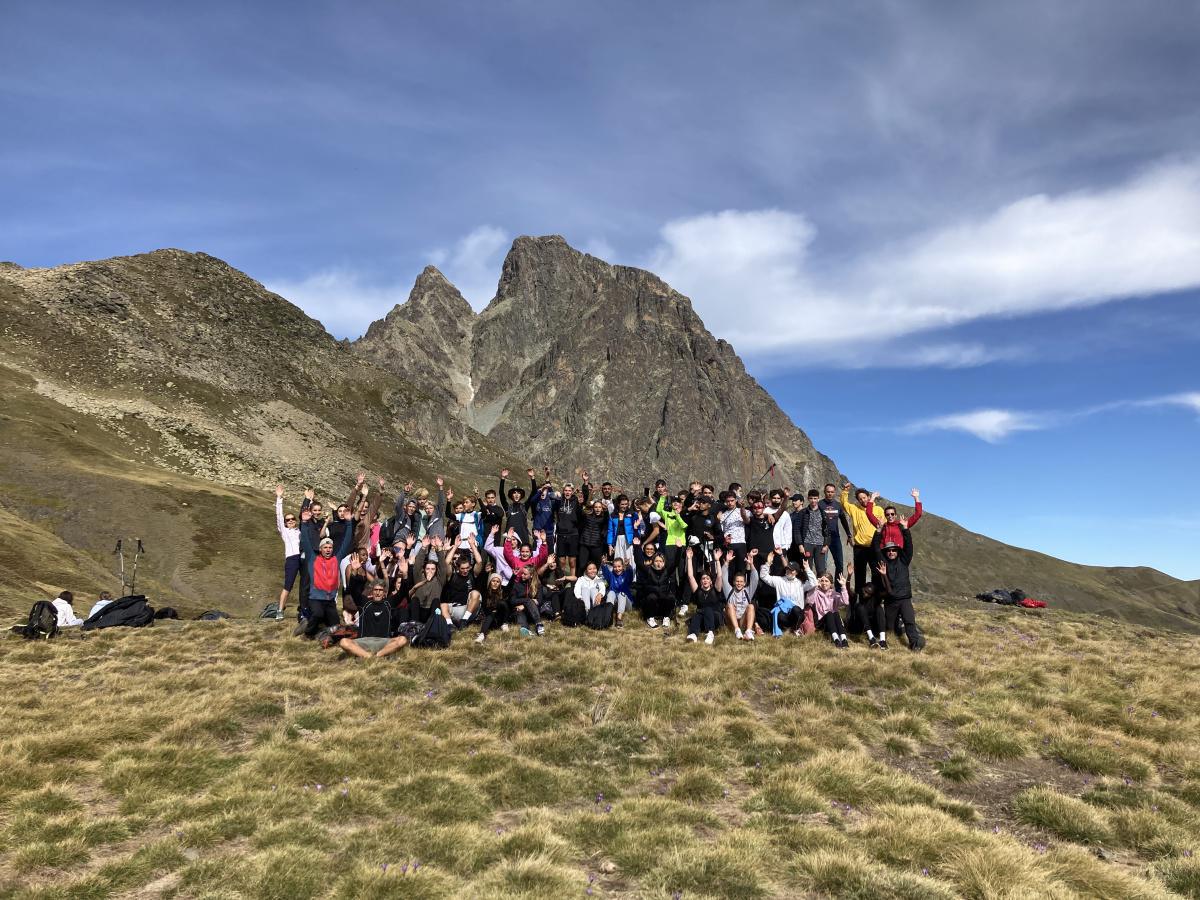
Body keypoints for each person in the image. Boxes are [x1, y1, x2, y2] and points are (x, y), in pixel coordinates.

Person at [872, 521, 923, 651]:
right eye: (889, 550)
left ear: (897, 551)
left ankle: (915, 643)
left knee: (909, 621)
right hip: (890, 600)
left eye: (894, 550)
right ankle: (898, 626)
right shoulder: (883, 562)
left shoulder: (904, 560)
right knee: (890, 628)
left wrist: (905, 529)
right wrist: (878, 532)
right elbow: (876, 548)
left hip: (904, 598)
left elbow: (909, 547)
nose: (891, 552)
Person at [299, 520, 355, 638]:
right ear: (320, 549)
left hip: (330, 601)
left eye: (330, 547)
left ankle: (321, 629)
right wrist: (304, 523)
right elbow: (305, 541)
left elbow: (346, 541)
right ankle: (308, 633)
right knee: (318, 614)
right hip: (315, 599)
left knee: (336, 627)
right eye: (325, 547)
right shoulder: (313, 559)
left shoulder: (336, 559)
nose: (328, 549)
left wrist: (349, 523)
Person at [840, 482, 885, 615]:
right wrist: (845, 491)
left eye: (864, 497)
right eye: (860, 499)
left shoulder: (878, 509)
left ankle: (876, 601)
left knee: (876, 574)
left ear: (868, 497)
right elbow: (844, 504)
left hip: (874, 547)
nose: (862, 500)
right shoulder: (854, 509)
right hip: (859, 547)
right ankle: (860, 602)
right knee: (860, 575)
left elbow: (883, 525)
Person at [337, 580, 410, 658]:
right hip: (364, 641)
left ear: (384, 593)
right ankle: (369, 656)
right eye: (375, 590)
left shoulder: (388, 603)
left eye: (380, 590)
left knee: (403, 640)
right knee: (343, 642)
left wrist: (405, 577)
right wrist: (356, 575)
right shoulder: (364, 603)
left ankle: (376, 655)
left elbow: (402, 592)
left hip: (384, 641)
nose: (378, 592)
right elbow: (353, 589)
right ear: (372, 592)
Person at [758, 551, 816, 637]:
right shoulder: (779, 580)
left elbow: (814, 583)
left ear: (796, 572)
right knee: (779, 615)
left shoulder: (801, 583)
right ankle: (785, 628)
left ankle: (795, 629)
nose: (788, 571)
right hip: (783, 613)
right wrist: (768, 563)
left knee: (796, 609)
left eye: (791, 570)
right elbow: (764, 576)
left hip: (796, 613)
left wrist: (807, 569)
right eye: (787, 569)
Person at [684, 547, 725, 645]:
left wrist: (717, 560)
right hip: (702, 618)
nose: (705, 580)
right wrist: (689, 559)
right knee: (697, 615)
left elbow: (719, 576)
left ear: (711, 581)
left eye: (707, 578)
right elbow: (690, 576)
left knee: (707, 609)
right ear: (700, 581)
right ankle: (693, 634)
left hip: (715, 618)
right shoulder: (698, 590)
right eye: (703, 579)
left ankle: (710, 633)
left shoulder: (716, 589)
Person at [634, 539, 676, 629]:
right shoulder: (648, 570)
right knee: (651, 597)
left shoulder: (667, 571)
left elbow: (675, 563)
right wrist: (637, 547)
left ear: (664, 563)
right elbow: (638, 562)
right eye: (656, 561)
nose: (658, 563)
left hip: (663, 601)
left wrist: (679, 548)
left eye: (661, 561)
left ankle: (666, 617)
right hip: (652, 602)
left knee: (671, 597)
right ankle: (650, 618)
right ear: (653, 562)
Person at [442, 539, 484, 628]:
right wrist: (455, 546)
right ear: (458, 567)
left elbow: (479, 562)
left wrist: (472, 545)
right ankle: (450, 625)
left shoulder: (472, 574)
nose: (465, 570)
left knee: (476, 593)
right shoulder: (452, 575)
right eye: (463, 568)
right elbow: (446, 562)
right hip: (454, 609)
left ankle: (464, 621)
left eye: (467, 568)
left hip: (468, 609)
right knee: (443, 605)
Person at [274, 485, 301, 621]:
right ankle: (280, 610)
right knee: (288, 585)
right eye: (288, 520)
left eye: (292, 519)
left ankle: (305, 609)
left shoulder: (300, 531)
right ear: (285, 523)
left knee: (306, 585)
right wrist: (279, 498)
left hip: (303, 558)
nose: (290, 521)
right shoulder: (284, 531)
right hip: (291, 559)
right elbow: (279, 517)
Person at [723, 548, 760, 640]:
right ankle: (737, 630)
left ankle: (748, 631)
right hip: (732, 622)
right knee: (729, 605)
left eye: (741, 582)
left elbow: (755, 579)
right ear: (734, 582)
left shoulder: (748, 591)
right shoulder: (729, 590)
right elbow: (723, 577)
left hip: (743, 621)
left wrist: (751, 564)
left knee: (751, 606)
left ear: (744, 583)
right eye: (737, 581)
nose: (739, 583)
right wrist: (727, 562)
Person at [819, 483, 853, 581]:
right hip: (822, 538)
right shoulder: (819, 504)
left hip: (835, 538)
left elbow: (843, 520)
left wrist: (849, 534)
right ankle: (822, 586)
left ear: (834, 493)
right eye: (828, 492)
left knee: (839, 563)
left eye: (832, 492)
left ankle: (838, 587)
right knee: (822, 565)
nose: (830, 494)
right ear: (824, 492)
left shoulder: (838, 505)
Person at [809, 572, 851, 648]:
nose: (824, 583)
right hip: (821, 622)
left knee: (835, 613)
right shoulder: (816, 592)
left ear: (831, 583)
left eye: (826, 581)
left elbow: (846, 602)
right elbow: (810, 601)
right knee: (829, 613)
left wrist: (843, 586)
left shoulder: (834, 593)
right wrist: (815, 586)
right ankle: (836, 639)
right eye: (822, 581)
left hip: (834, 621)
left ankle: (844, 639)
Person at [600, 557, 632, 627]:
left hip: (627, 604)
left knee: (621, 593)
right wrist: (604, 564)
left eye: (619, 566)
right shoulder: (611, 575)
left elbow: (630, 574)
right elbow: (606, 572)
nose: (617, 569)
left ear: (622, 566)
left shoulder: (626, 575)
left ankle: (619, 618)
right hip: (616, 602)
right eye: (615, 567)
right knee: (611, 592)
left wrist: (628, 565)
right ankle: (608, 615)